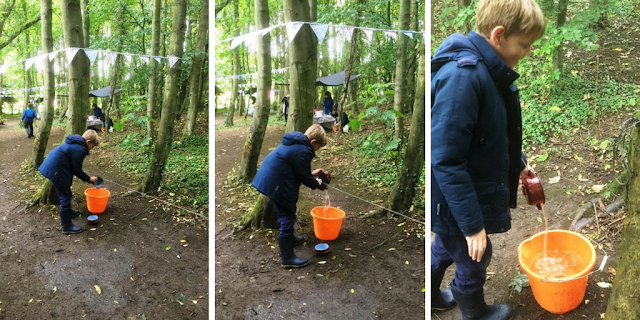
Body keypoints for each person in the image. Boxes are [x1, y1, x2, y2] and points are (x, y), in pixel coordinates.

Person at [430, 0, 545, 319]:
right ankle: (475, 312)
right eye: (524, 44)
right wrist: (473, 227)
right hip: (454, 199)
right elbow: (447, 160)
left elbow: (493, 132)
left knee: (445, 244)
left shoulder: (488, 71)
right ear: (498, 35)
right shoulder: (463, 78)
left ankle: (432, 293)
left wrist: (518, 162)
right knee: (475, 255)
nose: (527, 52)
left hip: (463, 194)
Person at [251, 124, 328, 268]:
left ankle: (290, 239)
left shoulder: (296, 143)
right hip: (277, 183)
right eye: (318, 147)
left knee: (285, 214)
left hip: (273, 179)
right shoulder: (303, 150)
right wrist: (317, 183)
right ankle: (287, 258)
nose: (316, 150)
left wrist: (311, 174)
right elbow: (305, 178)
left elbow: (296, 168)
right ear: (313, 142)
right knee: (287, 216)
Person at [39, 130, 100, 234]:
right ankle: (67, 227)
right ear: (88, 141)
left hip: (55, 167)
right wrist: (89, 179)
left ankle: (69, 213)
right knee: (65, 197)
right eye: (92, 146)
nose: (91, 149)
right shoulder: (80, 149)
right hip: (56, 170)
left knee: (66, 193)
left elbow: (73, 166)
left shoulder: (75, 143)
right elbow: (76, 169)